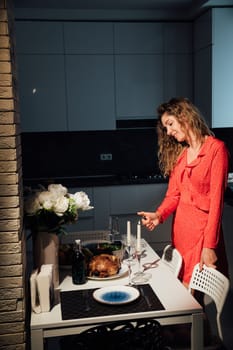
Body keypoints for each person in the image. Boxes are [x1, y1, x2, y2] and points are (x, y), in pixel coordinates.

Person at [138, 97, 229, 290]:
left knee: (189, 302)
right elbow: (174, 195)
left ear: (184, 117)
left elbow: (216, 203)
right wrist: (159, 214)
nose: (169, 132)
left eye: (170, 124)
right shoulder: (182, 155)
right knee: (188, 302)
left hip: (202, 235)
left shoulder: (216, 149)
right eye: (166, 128)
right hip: (181, 234)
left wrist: (209, 246)